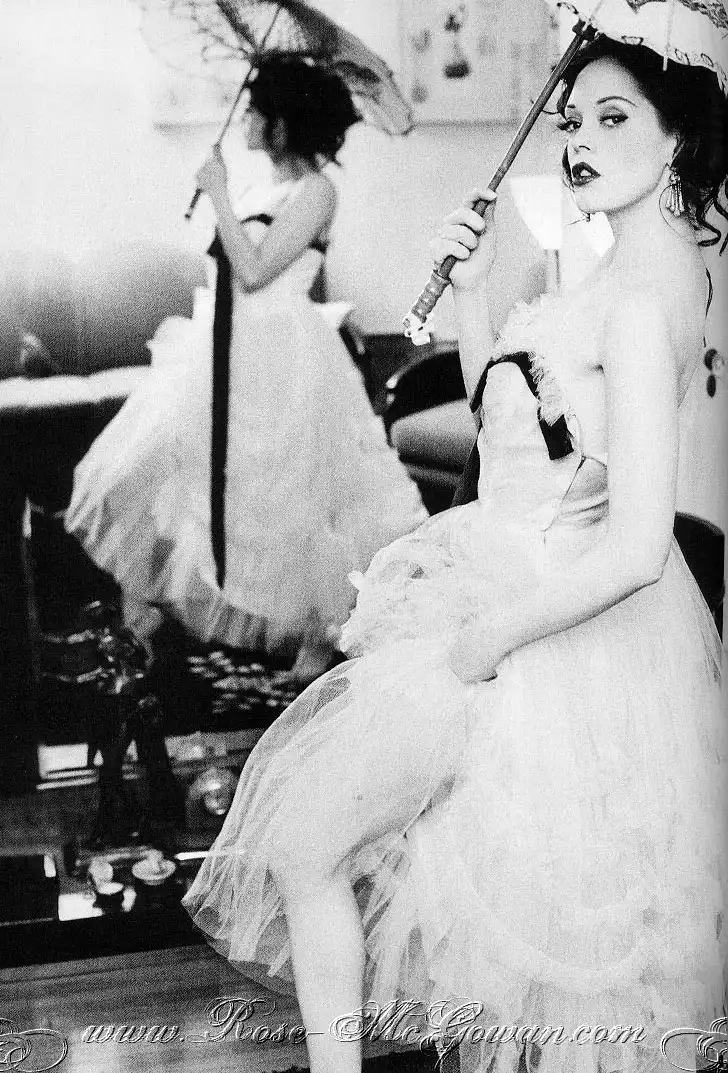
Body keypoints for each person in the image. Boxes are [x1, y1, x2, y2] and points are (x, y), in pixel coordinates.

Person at [183, 38, 727, 1073]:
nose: (579, 139)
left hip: (545, 639)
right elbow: (518, 438)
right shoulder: (600, 275)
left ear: (676, 141)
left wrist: (485, 640)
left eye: (613, 118)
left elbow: (637, 548)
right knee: (313, 851)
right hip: (497, 599)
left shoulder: (642, 300)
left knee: (519, 961)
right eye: (572, 120)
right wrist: (473, 295)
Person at [65, 57, 426, 686]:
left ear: (282, 124)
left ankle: (321, 637)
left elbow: (257, 272)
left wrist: (219, 194)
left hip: (284, 358)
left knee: (299, 494)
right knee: (162, 472)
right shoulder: (264, 190)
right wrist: (224, 199)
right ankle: (146, 622)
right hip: (224, 350)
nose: (246, 121)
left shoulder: (318, 191)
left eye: (256, 111)